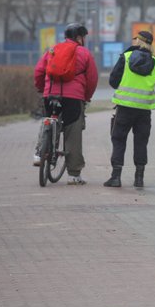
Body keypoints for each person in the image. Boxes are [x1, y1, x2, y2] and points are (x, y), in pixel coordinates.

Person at [33, 23, 99, 185]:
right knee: (72, 133)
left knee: (49, 120)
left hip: (50, 95)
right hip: (73, 98)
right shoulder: (84, 53)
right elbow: (92, 79)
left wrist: (43, 89)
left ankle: (40, 152)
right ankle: (74, 174)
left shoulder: (52, 50)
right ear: (79, 37)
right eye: (83, 37)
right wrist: (86, 97)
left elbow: (39, 72)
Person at [103, 30, 155, 189]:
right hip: (144, 109)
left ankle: (115, 178)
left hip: (124, 108)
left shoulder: (126, 57)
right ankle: (139, 179)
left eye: (135, 39)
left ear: (138, 41)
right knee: (141, 142)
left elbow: (113, 81)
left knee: (118, 139)